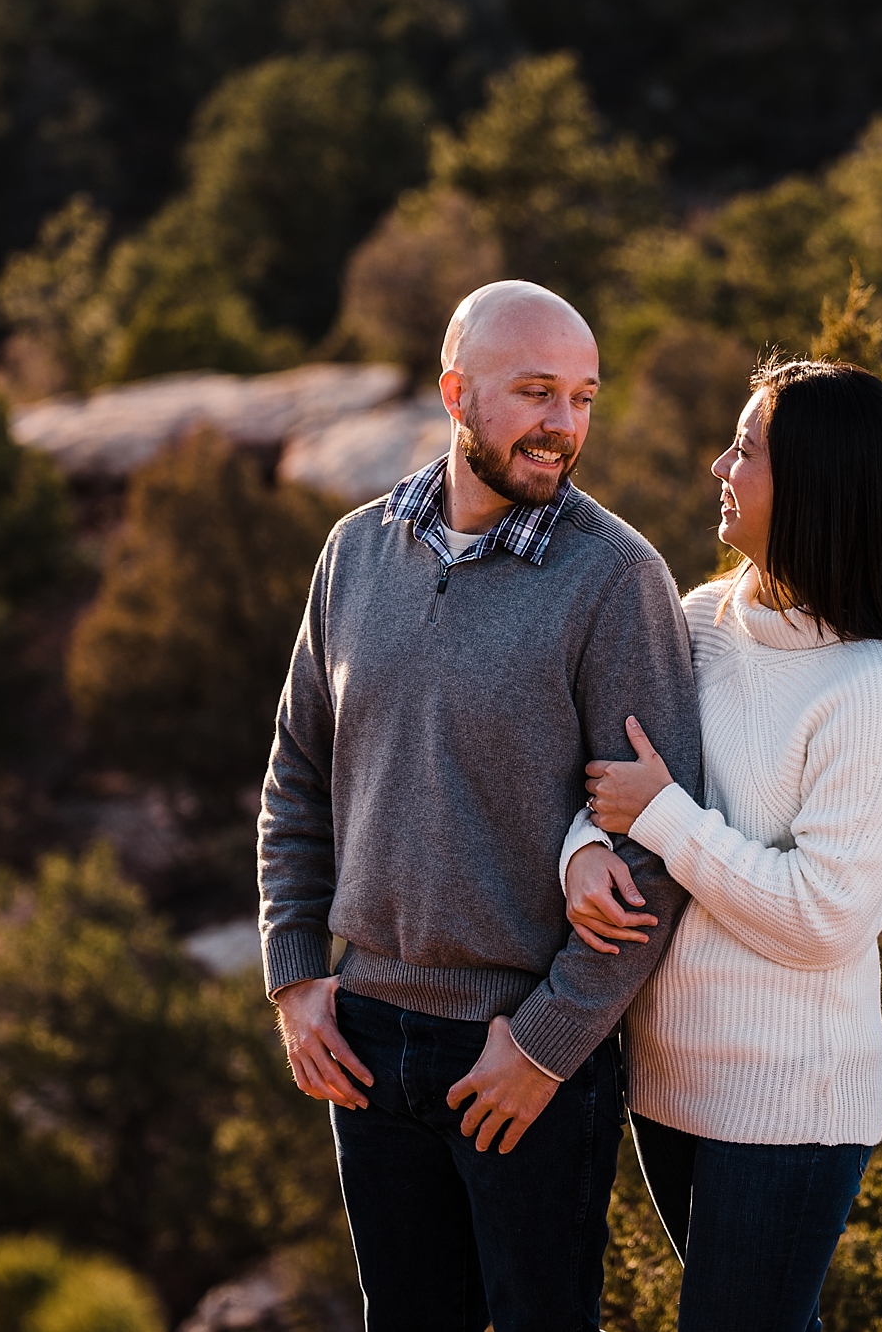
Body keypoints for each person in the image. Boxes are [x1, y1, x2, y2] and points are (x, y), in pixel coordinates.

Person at [255, 280, 702, 1332]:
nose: (563, 425)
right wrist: (297, 977)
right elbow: (297, 779)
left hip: (522, 1048)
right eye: (536, 392)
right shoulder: (354, 552)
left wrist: (547, 1041)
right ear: (457, 394)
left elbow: (657, 845)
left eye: (583, 397)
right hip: (364, 1037)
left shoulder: (614, 578)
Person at [560, 358, 882, 1332]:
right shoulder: (697, 620)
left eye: (746, 448)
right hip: (665, 1082)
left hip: (788, 1106)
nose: (719, 466)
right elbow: (610, 779)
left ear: (815, 483)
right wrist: (583, 851)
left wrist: (662, 817)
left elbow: (823, 917)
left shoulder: (877, 691)